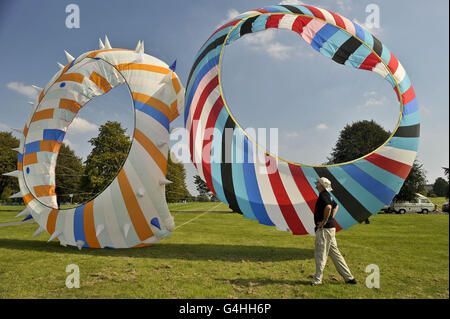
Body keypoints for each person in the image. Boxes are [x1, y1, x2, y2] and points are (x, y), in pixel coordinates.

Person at [311, 177, 357, 286]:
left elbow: (328, 207)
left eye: (318, 182)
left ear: (321, 185)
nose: (316, 183)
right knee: (336, 255)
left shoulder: (323, 196)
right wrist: (331, 218)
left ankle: (317, 280)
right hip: (330, 229)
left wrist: (324, 221)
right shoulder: (328, 196)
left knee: (320, 254)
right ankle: (349, 278)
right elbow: (335, 206)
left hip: (324, 230)